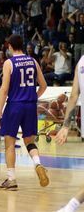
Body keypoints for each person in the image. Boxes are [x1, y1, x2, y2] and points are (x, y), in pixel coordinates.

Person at [0, 34, 49, 190]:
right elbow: (43, 85)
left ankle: (11, 179)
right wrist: (32, 97)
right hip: (30, 106)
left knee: (10, 143)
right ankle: (38, 164)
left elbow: (4, 90)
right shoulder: (33, 61)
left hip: (15, 105)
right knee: (29, 141)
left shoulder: (9, 63)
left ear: (10, 47)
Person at [54, 60, 84, 211]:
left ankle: (70, 207)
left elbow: (73, 96)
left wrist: (66, 126)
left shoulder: (81, 62)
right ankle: (70, 207)